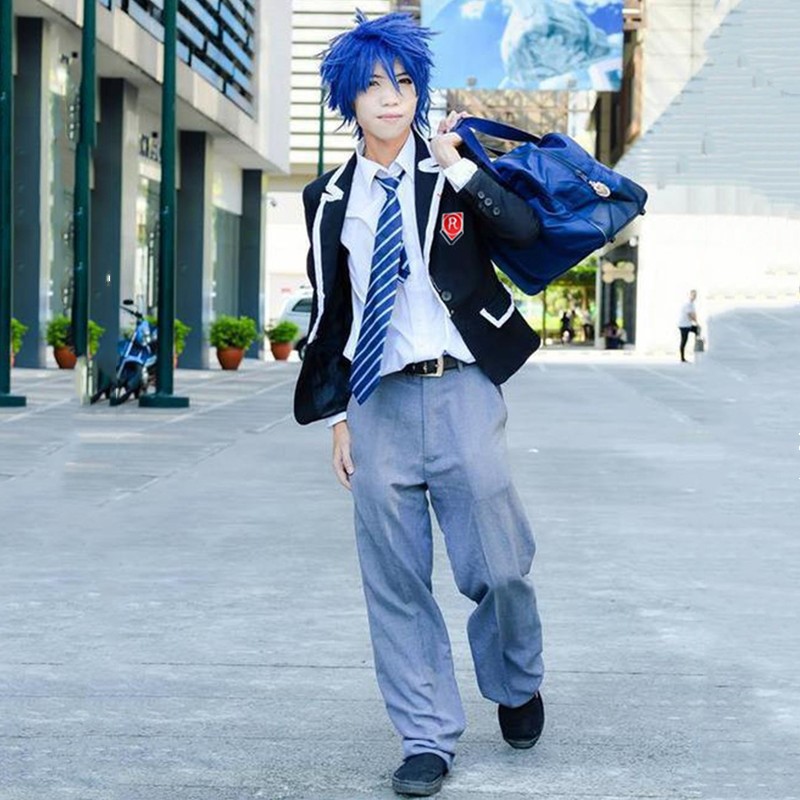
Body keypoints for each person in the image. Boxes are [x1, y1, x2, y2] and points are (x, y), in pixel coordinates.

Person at [293, 11, 545, 797]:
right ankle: (426, 737)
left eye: (403, 82)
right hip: (377, 399)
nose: (390, 97)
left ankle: (515, 678)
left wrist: (461, 169)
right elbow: (331, 311)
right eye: (373, 85)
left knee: (499, 562)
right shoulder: (328, 196)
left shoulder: (450, 172)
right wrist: (339, 416)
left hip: (463, 384)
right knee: (394, 579)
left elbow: (525, 231)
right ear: (349, 99)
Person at [678, 289, 699, 362]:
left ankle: (697, 348)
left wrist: (696, 321)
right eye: (693, 295)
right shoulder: (688, 303)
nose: (694, 297)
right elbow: (690, 315)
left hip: (688, 325)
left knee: (697, 330)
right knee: (684, 340)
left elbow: (694, 314)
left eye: (695, 295)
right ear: (690, 295)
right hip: (683, 325)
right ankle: (682, 358)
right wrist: (696, 322)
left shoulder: (692, 304)